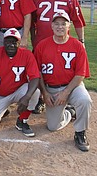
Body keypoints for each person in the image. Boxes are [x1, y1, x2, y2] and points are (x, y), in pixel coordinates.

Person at [34, 12, 91, 152]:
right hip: (50, 89)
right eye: (57, 23)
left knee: (85, 100)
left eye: (63, 23)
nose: (60, 26)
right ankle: (70, 112)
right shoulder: (42, 45)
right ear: (52, 26)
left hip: (72, 86)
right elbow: (38, 73)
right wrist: (44, 93)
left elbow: (80, 74)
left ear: (68, 26)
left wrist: (66, 93)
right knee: (53, 126)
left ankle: (80, 133)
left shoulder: (77, 46)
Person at [31, 0, 86, 114]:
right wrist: (32, 40)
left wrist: (81, 41)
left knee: (65, 70)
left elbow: (78, 22)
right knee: (39, 72)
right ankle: (40, 100)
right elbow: (31, 23)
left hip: (63, 44)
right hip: (41, 43)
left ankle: (69, 100)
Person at [0, 28, 40, 137]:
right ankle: (3, 110)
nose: (11, 45)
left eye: (14, 42)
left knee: (35, 92)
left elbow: (35, 78)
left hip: (18, 91)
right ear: (3, 42)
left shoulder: (27, 55)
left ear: (19, 43)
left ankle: (22, 120)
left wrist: (27, 97)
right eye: (8, 42)